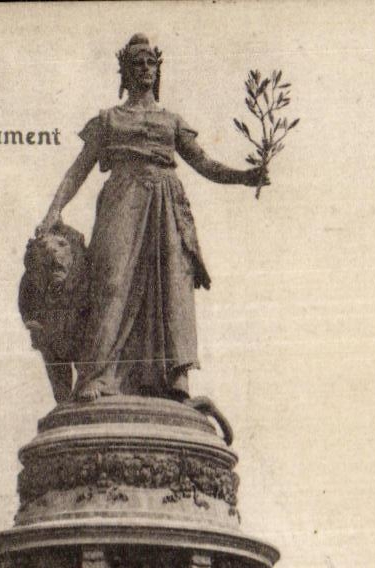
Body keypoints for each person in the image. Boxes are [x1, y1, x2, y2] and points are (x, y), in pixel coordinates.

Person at [36, 34, 265, 401]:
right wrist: (53, 211)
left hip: (166, 204)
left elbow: (204, 164)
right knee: (109, 283)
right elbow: (78, 169)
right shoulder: (108, 120)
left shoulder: (172, 122)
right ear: (125, 72)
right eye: (137, 62)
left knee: (170, 285)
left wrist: (244, 176)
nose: (145, 68)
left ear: (157, 71)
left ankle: (172, 378)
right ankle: (98, 376)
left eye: (150, 63)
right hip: (122, 198)